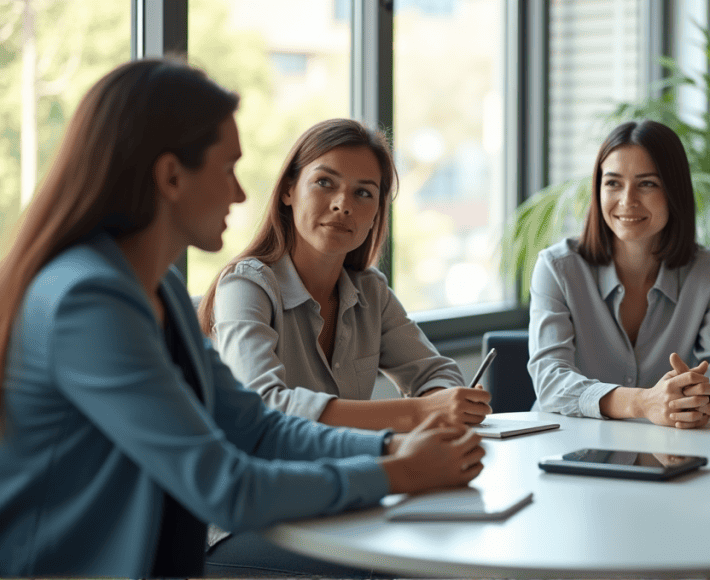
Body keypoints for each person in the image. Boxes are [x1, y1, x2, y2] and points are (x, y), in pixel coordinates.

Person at [0, 59, 484, 578]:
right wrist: (401, 468)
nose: (240, 193)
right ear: (170, 176)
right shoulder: (88, 301)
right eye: (228, 169)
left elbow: (257, 427)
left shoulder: (157, 287)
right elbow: (225, 486)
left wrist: (390, 446)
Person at [197, 119, 492, 434]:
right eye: (325, 182)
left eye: (363, 192)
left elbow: (437, 373)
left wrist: (441, 403)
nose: (343, 205)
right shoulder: (246, 286)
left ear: (377, 211)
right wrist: (419, 411)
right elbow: (263, 406)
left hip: (351, 471)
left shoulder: (370, 292)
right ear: (288, 190)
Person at [528, 120, 710, 427]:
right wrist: (644, 402)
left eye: (647, 183)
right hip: (566, 445)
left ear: (674, 191)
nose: (627, 200)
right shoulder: (557, 268)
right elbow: (551, 381)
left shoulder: (707, 270)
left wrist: (698, 402)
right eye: (612, 183)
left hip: (666, 449)